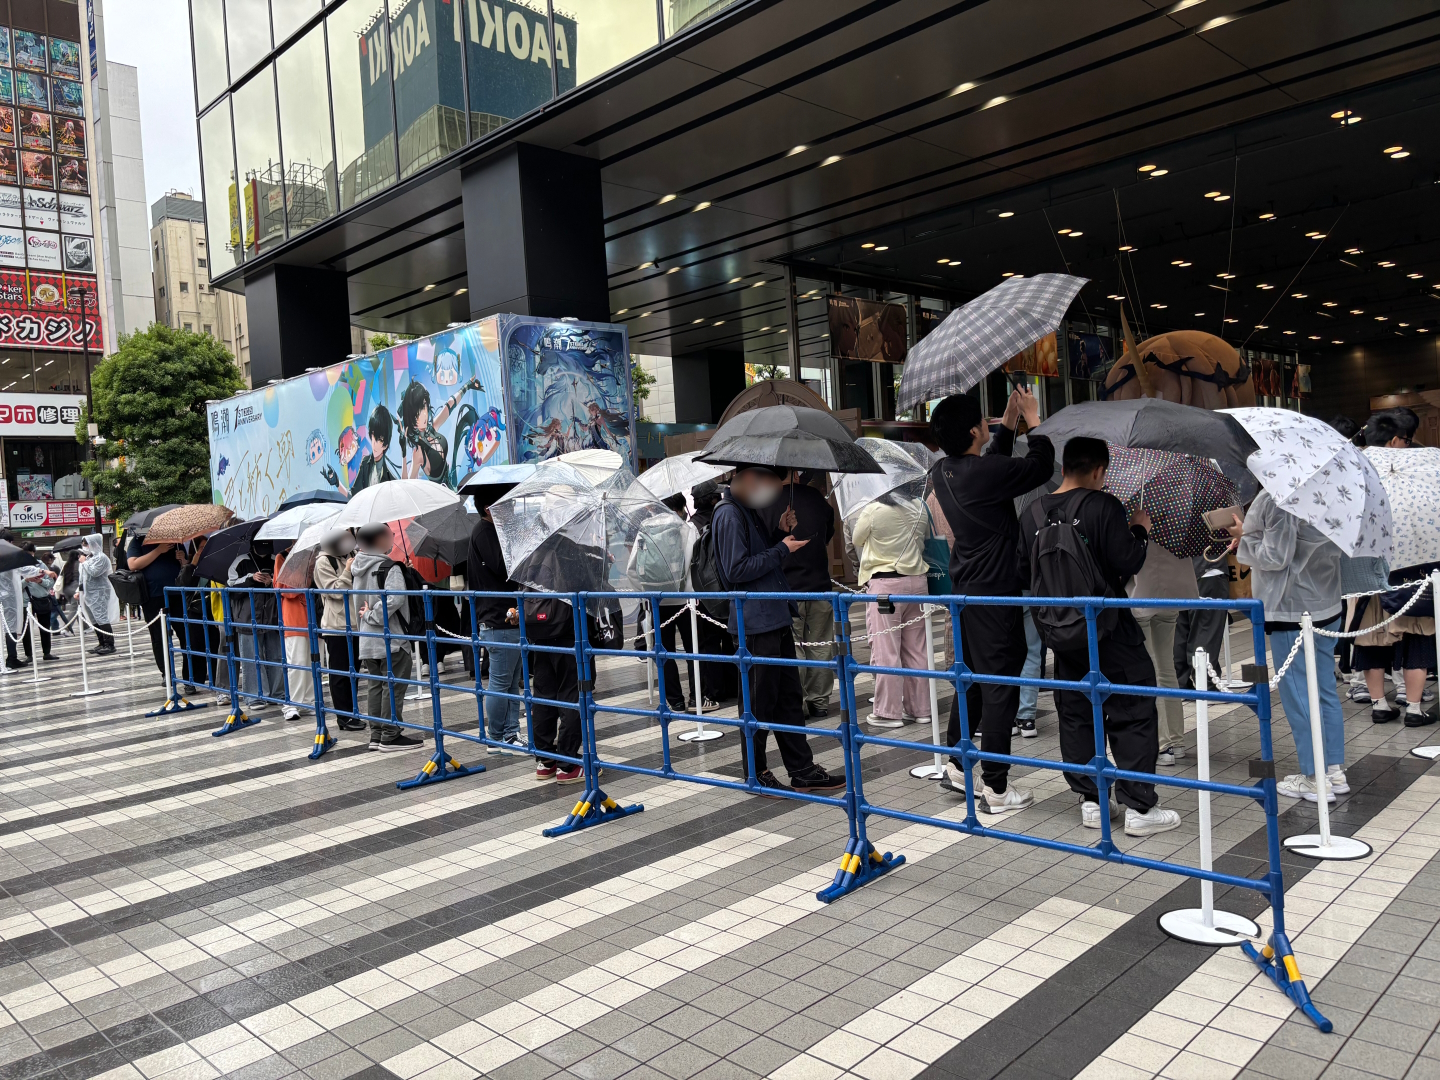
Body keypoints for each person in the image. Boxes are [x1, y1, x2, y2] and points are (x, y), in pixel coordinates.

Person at [1021, 437, 1180, 835]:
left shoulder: (1032, 512)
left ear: (1063, 468)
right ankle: (1139, 808)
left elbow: (1026, 572)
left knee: (1076, 712)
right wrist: (1139, 530)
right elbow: (1127, 561)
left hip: (1059, 629)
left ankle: (1092, 799)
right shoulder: (1104, 506)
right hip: (1109, 627)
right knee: (1133, 707)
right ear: (1098, 471)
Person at [926, 389, 1052, 813]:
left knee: (975, 681)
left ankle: (960, 767)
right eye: (984, 421)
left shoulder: (943, 470)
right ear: (973, 430)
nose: (988, 425)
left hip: (967, 592)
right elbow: (1039, 466)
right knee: (1001, 688)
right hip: (995, 594)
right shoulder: (983, 472)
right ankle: (996, 789)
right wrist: (1033, 421)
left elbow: (990, 465)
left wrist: (1007, 420)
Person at [712, 464, 844, 795]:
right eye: (770, 482)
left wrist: (777, 534)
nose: (773, 490)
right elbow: (736, 570)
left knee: (787, 698)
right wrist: (783, 548)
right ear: (748, 478)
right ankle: (756, 772)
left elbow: (756, 556)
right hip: (757, 622)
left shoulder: (747, 511)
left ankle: (801, 769)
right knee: (758, 702)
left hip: (775, 615)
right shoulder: (729, 514)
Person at [1227, 489, 1348, 801]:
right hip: (1327, 601)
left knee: (1298, 696)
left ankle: (1313, 776)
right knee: (1323, 692)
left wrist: (1246, 536)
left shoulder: (1278, 497)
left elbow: (1275, 557)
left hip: (1290, 607)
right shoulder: (1333, 494)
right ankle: (1333, 769)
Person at [758, 471, 837, 718]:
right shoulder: (816, 497)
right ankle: (820, 701)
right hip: (820, 583)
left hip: (786, 588)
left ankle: (798, 702)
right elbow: (828, 533)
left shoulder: (765, 503)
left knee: (795, 647)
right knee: (822, 643)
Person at [850, 490, 930, 727]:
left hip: (886, 584)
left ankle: (888, 712)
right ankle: (921, 710)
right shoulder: (920, 506)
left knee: (886, 649)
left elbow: (856, 539)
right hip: (918, 582)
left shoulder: (874, 509)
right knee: (917, 649)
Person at [351, 523, 424, 751]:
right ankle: (391, 735)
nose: (392, 537)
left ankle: (376, 734)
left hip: (366, 639)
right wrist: (374, 615)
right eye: (389, 535)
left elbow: (357, 604)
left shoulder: (357, 567)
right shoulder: (389, 566)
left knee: (376, 685)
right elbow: (396, 599)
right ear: (380, 540)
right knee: (393, 687)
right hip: (391, 638)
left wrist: (368, 617)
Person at [465, 488, 526, 754]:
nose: (510, 508)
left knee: (511, 681)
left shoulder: (490, 531)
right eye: (505, 504)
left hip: (505, 618)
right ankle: (496, 737)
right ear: (490, 509)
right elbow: (504, 568)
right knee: (500, 682)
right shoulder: (484, 532)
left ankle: (510, 734)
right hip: (498, 619)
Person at [1129, 542, 1198, 766]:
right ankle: (1177, 742)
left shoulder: (1134, 513)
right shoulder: (1176, 515)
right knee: (1167, 667)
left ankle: (1162, 745)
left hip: (1141, 593)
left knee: (1151, 671)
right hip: (1172, 592)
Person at [690, 479, 736, 705]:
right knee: (730, 637)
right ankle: (734, 684)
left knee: (709, 641)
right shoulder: (724, 518)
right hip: (727, 588)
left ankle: (715, 690)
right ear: (710, 499)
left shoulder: (691, 526)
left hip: (703, 593)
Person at [314, 529, 366, 732]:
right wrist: (347, 570)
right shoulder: (323, 561)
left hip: (357, 623)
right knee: (340, 674)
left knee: (354, 671)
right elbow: (333, 591)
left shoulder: (352, 556)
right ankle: (344, 717)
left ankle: (353, 711)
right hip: (336, 627)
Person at [227, 538, 285, 713]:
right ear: (253, 545)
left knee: (276, 655)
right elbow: (230, 586)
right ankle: (254, 695)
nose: (265, 551)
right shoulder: (241, 561)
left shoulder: (277, 559)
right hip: (248, 617)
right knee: (251, 658)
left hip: (273, 616)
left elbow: (284, 583)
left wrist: (271, 582)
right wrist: (251, 578)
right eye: (261, 547)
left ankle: (278, 693)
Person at [125, 530, 182, 680]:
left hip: (177, 593)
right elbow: (133, 564)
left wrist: (182, 559)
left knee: (185, 633)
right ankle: (167, 673)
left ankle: (191, 675)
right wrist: (158, 550)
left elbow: (185, 564)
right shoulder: (139, 541)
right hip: (152, 596)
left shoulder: (173, 538)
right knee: (159, 636)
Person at [1174, 556, 1230, 690]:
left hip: (1178, 572)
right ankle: (1206, 685)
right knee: (1206, 628)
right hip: (1208, 568)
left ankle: (1180, 682)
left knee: (1179, 629)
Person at [274, 548, 315, 722]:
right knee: (296, 661)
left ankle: (309, 700)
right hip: (294, 616)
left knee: (312, 661)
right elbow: (284, 589)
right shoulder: (282, 557)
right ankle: (291, 704)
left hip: (312, 614)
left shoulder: (315, 555)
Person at [77, 534, 118, 654]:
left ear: (94, 544)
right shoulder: (90, 557)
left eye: (86, 544)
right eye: (84, 544)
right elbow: (82, 575)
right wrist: (79, 590)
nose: (84, 547)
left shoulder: (101, 557)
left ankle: (110, 644)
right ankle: (102, 642)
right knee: (94, 618)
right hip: (88, 592)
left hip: (99, 592)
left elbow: (94, 572)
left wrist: (84, 562)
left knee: (101, 618)